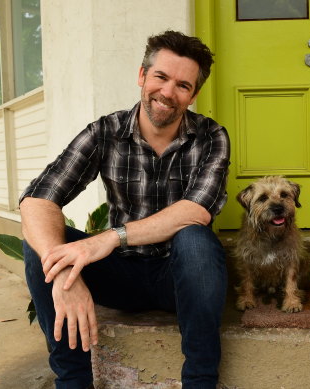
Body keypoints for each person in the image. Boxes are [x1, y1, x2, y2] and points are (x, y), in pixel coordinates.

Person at [19, 30, 230, 389]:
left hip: (179, 279)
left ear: (193, 95)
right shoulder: (106, 132)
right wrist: (63, 274)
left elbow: (194, 211)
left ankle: (200, 382)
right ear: (142, 76)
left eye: (182, 85)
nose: (167, 92)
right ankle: (73, 383)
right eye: (160, 77)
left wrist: (110, 238)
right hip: (121, 275)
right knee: (44, 248)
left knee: (195, 239)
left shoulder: (211, 137)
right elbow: (38, 199)